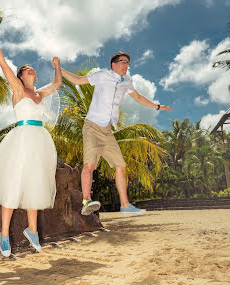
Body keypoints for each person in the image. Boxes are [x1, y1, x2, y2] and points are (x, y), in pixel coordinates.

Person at [0, 21, 61, 257]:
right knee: (14, 185)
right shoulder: (17, 88)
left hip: (39, 140)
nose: (31, 70)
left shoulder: (39, 94)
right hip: (21, 138)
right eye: (26, 69)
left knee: (35, 183)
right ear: (20, 76)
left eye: (32, 68)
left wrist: (57, 66)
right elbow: (3, 63)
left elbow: (57, 83)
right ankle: (4, 234)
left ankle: (32, 230)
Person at [61, 51, 172, 215]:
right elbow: (77, 80)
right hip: (92, 126)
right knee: (89, 165)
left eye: (128, 63)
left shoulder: (127, 81)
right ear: (113, 64)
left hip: (107, 130)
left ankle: (125, 205)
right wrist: (59, 68)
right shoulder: (102, 75)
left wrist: (157, 107)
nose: (126, 65)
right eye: (123, 62)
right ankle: (86, 200)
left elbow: (138, 97)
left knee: (120, 166)